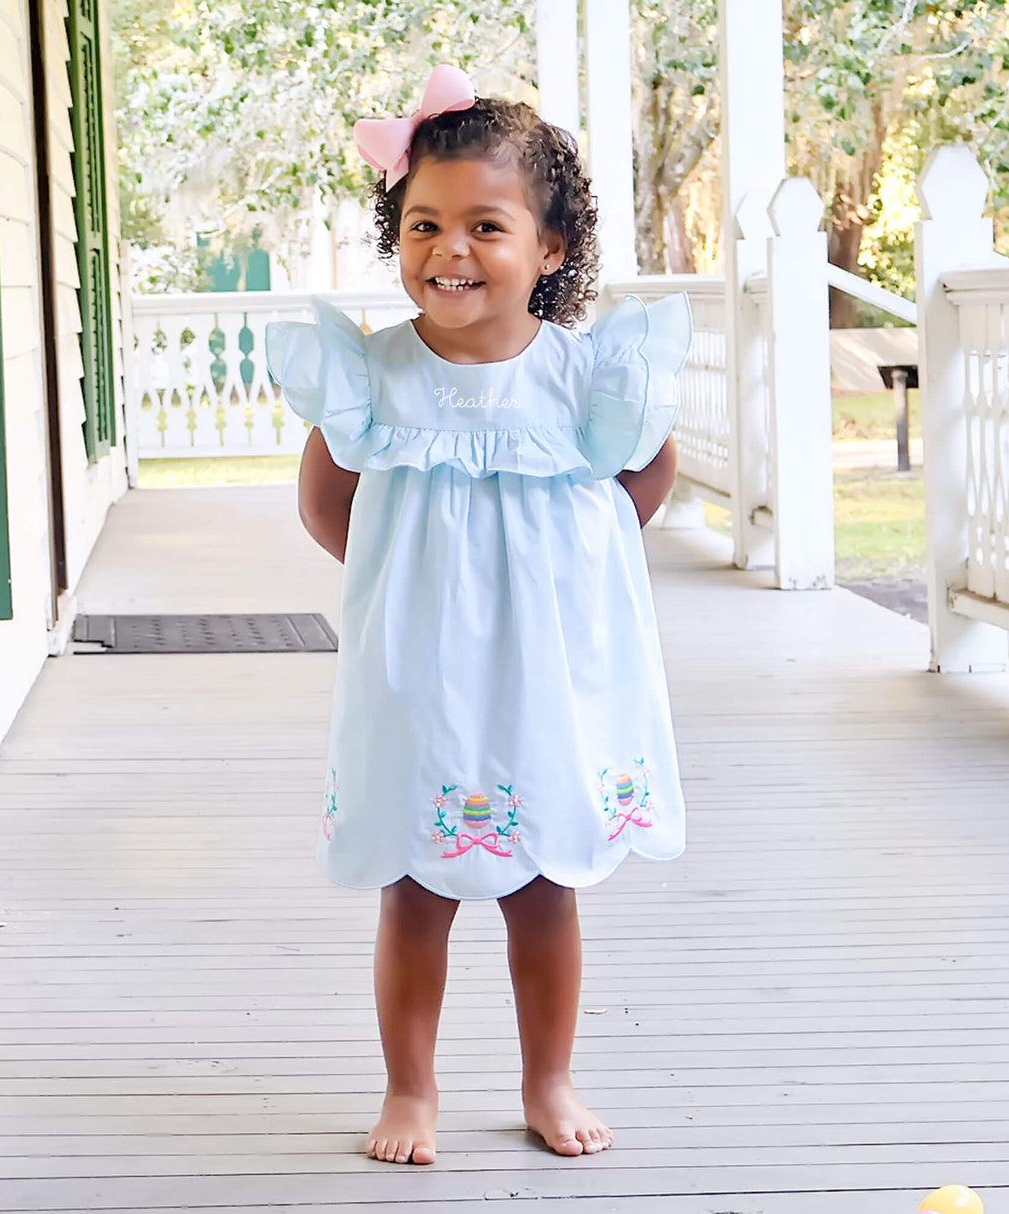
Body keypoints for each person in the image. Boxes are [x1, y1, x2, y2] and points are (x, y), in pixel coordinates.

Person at [265, 65, 692, 1167]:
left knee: (543, 880)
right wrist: (413, 583)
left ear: (548, 249)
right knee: (415, 883)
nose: (448, 249)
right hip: (417, 667)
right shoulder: (373, 376)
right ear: (395, 236)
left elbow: (642, 479)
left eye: (483, 226)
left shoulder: (584, 377)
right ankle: (410, 1087)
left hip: (547, 670)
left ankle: (547, 1075)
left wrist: (572, 567)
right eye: (423, 223)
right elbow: (327, 505)